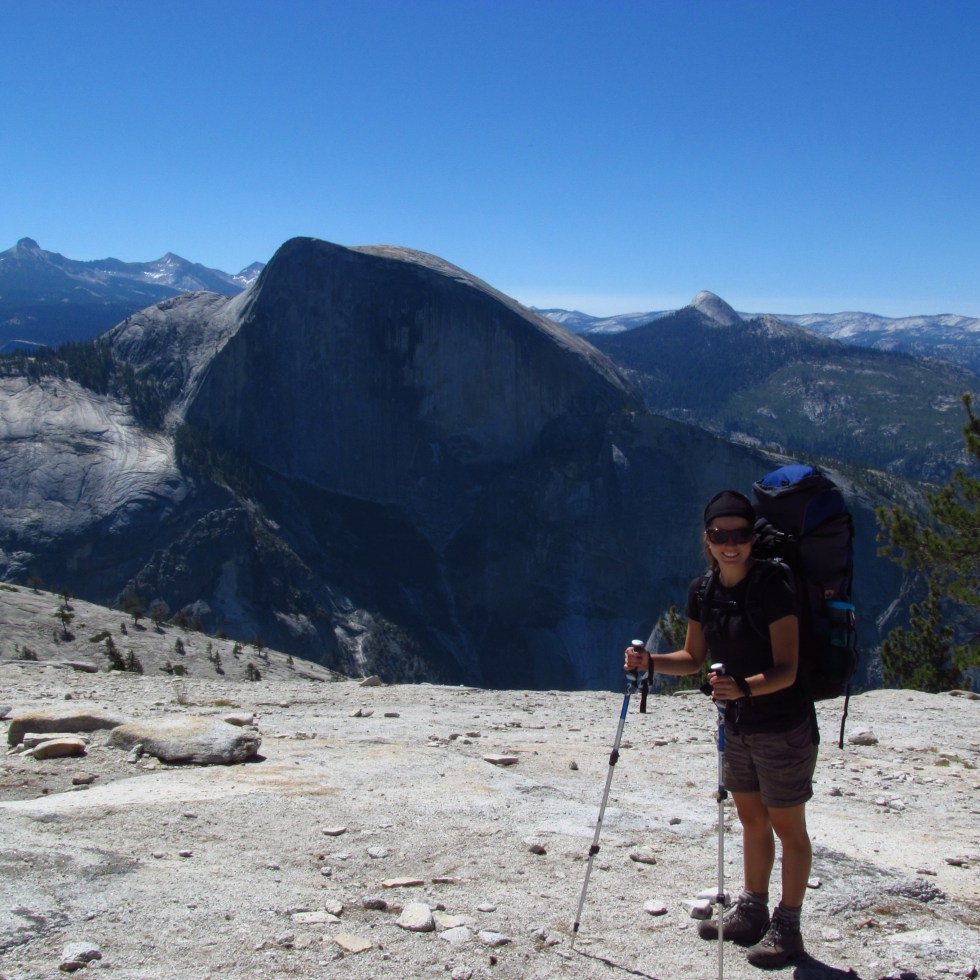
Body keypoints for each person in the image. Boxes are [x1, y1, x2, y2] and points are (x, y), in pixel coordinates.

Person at [624, 489, 818, 969]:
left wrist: (744, 689)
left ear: (752, 538)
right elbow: (692, 659)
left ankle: (787, 926)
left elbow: (788, 669)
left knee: (788, 828)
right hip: (738, 724)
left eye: (740, 535)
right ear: (706, 538)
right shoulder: (702, 590)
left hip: (782, 725)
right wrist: (650, 662)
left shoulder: (775, 585)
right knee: (752, 820)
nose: (730, 544)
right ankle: (751, 911)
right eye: (719, 535)